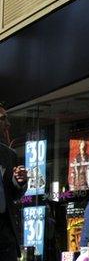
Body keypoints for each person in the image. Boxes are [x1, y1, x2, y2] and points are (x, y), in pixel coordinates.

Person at [0, 106, 28, 260]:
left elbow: (14, 194)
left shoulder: (9, 155)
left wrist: (20, 182)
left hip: (4, 231)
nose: (8, 124)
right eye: (3, 118)